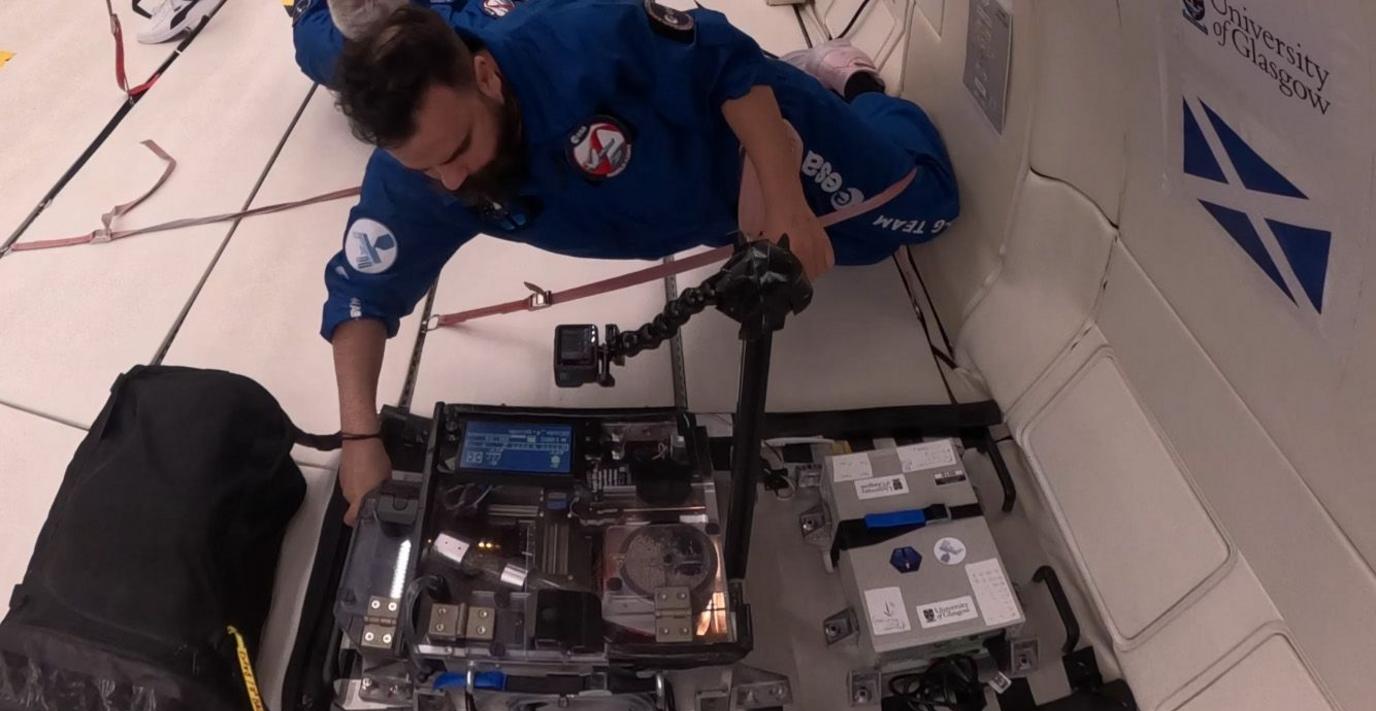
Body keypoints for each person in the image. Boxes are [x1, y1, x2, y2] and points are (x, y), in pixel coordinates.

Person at [294, 0, 960, 523]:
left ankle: (853, 83)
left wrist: (785, 198)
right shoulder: (422, 172)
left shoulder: (579, 35)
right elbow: (362, 290)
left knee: (919, 214)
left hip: (755, 128)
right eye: (427, 167)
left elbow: (727, 59)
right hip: (695, 205)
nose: (453, 180)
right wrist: (360, 438)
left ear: (487, 77)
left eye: (460, 147)